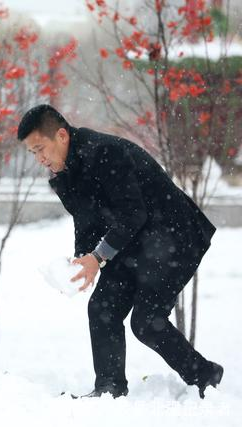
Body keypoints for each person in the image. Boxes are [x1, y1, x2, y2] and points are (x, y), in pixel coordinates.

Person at [17, 104, 223, 399]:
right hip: (131, 242)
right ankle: (109, 388)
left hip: (173, 237)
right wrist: (82, 261)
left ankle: (205, 376)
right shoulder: (65, 173)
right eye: (32, 153)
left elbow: (133, 213)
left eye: (40, 149)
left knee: (146, 321)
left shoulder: (104, 152)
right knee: (102, 309)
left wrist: (97, 257)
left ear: (61, 135)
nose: (39, 159)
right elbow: (86, 220)